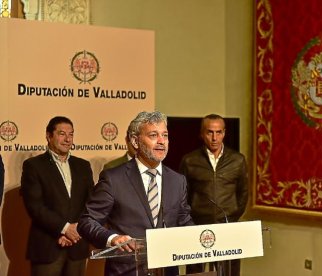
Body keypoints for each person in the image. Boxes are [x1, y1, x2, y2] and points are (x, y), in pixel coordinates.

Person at [77, 111, 194, 276]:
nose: (162, 141)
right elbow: (87, 221)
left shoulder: (177, 180)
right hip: (126, 270)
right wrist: (112, 238)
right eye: (153, 135)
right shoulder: (114, 179)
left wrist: (202, 239)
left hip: (167, 270)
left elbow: (184, 221)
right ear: (135, 141)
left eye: (165, 135)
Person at [20, 116, 94, 276]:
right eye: (62, 134)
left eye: (71, 134)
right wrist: (65, 229)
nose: (68, 139)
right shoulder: (33, 166)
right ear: (48, 135)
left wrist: (76, 230)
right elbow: (35, 207)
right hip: (48, 247)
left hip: (78, 245)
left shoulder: (83, 166)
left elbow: (91, 203)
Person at [179, 114, 248, 276]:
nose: (214, 137)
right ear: (202, 134)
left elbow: (243, 193)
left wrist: (232, 217)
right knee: (196, 272)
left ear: (224, 133)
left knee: (229, 272)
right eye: (210, 132)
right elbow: (182, 195)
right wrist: (190, 221)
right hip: (197, 227)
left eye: (219, 132)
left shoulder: (238, 160)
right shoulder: (189, 160)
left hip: (228, 227)